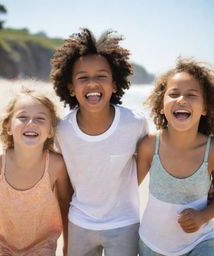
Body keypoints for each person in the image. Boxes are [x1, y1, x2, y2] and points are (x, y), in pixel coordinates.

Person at [50, 28, 148, 256]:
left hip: (124, 223)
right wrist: (65, 239)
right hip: (79, 223)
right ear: (71, 88)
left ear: (114, 84)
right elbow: (62, 186)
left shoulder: (134, 123)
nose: (92, 83)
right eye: (83, 77)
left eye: (101, 76)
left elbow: (147, 160)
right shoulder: (62, 130)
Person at [137, 57, 214, 256]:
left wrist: (203, 216)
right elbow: (126, 186)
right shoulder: (149, 145)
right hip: (152, 244)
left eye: (192, 94)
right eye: (174, 94)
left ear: (205, 108)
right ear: (161, 105)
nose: (182, 99)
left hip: (200, 242)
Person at [0, 87, 72, 256]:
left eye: (40, 118)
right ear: (8, 127)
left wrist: (67, 248)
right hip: (3, 246)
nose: (31, 123)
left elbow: (66, 207)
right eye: (22, 117)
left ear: (50, 130)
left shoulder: (56, 166)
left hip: (43, 246)